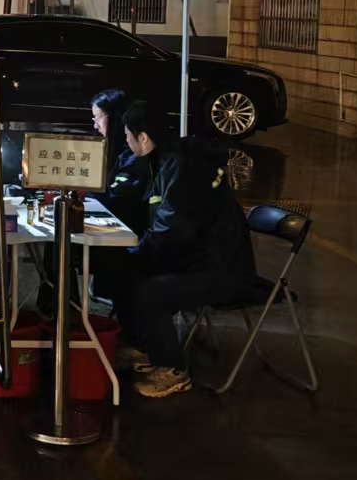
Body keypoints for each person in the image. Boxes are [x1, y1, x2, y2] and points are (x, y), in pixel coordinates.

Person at [106, 98, 257, 399]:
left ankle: (172, 370)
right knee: (123, 271)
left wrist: (139, 254)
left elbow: (172, 228)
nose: (126, 142)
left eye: (127, 136)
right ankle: (141, 346)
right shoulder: (166, 160)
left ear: (143, 138)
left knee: (150, 290)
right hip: (196, 260)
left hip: (221, 270)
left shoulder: (183, 167)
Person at [90, 88, 148, 232]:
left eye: (98, 118)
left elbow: (117, 196)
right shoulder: (113, 150)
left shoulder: (133, 153)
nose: (96, 125)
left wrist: (86, 191)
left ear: (114, 118)